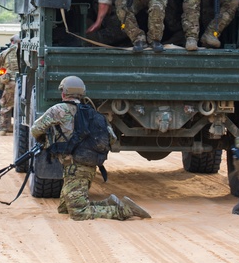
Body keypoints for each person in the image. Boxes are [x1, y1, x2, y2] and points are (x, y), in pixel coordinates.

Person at [30, 75, 151, 221]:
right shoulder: (93, 113)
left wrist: (45, 141)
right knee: (64, 208)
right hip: (89, 165)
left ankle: (124, 210)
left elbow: (35, 129)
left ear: (63, 93)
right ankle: (109, 203)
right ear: (82, 94)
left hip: (75, 167)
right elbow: (112, 138)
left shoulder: (59, 109)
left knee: (78, 213)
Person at [0, 34, 20, 135]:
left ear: (12, 42)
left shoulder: (7, 52)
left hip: (11, 83)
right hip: (26, 82)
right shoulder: (27, 51)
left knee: (6, 106)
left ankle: (3, 129)